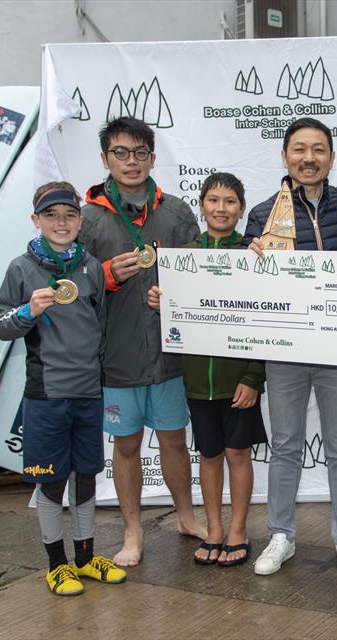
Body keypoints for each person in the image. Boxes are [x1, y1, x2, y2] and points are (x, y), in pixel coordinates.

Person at [243, 117, 337, 576]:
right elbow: (244, 285)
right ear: (284, 157)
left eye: (319, 149)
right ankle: (281, 535)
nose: (309, 158)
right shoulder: (262, 214)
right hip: (286, 349)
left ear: (332, 158)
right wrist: (249, 258)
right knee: (285, 446)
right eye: (299, 149)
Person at [79, 117, 206, 567]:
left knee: (174, 441)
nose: (131, 162)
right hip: (118, 357)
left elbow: (202, 273)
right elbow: (69, 288)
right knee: (127, 445)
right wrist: (107, 276)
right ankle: (133, 532)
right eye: (120, 153)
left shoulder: (176, 212)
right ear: (104, 159)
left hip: (170, 356)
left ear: (152, 158)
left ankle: (188, 517)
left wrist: (179, 293)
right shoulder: (88, 218)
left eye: (139, 153)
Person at [0, 181, 126, 595]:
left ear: (80, 220)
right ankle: (56, 564)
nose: (61, 222)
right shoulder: (20, 268)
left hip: (88, 392)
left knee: (85, 478)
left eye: (68, 214)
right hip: (46, 395)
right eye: (50, 215)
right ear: (36, 221)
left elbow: (99, 325)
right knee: (50, 480)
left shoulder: (90, 267)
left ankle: (85, 559)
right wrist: (28, 311)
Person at [148, 173, 267, 567]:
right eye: (213, 200)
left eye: (230, 201)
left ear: (241, 209)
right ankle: (214, 529)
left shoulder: (253, 255)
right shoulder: (186, 256)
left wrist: (254, 377)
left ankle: (238, 530)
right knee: (210, 453)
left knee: (237, 452)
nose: (221, 208)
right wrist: (163, 300)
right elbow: (177, 314)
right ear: (201, 205)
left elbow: (266, 320)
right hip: (198, 381)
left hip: (240, 381)